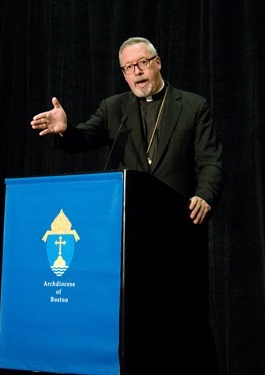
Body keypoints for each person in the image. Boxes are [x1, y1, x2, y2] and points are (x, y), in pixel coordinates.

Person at [31, 36, 225, 373]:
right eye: (128, 68)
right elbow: (85, 137)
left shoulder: (193, 106)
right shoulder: (114, 107)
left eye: (142, 64)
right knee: (135, 315)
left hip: (179, 230)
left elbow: (210, 162)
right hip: (130, 232)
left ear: (158, 62)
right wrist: (66, 130)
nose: (136, 73)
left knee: (182, 317)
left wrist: (205, 195)